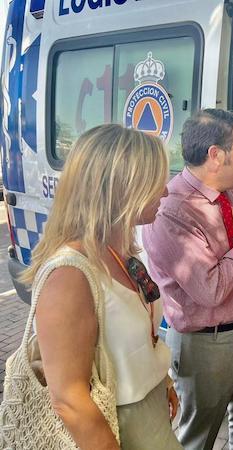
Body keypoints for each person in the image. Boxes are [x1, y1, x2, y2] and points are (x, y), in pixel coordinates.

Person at [22, 124, 182, 450]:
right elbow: (69, 399)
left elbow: (130, 338)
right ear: (121, 188)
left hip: (147, 414)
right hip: (115, 428)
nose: (165, 192)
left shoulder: (118, 250)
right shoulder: (69, 274)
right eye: (156, 182)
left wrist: (159, 379)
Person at [142, 108, 233, 450]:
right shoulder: (172, 211)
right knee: (197, 439)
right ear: (215, 156)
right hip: (205, 345)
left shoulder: (230, 191)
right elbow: (211, 288)